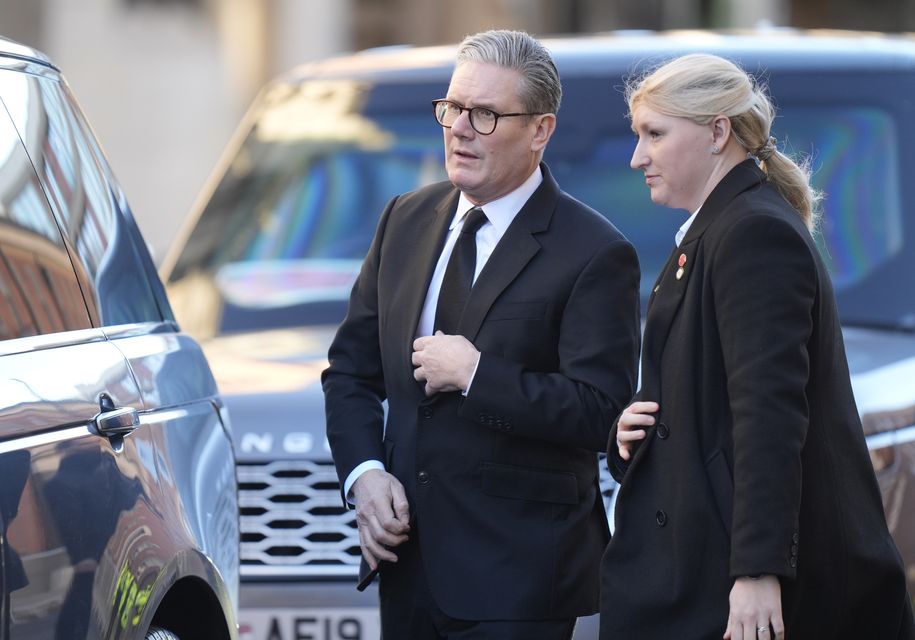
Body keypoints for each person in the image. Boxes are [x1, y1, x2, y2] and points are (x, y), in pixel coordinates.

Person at [323, 29, 641, 639]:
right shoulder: (405, 220)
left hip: (519, 577)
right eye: (453, 108)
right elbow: (350, 374)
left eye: (487, 115)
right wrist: (363, 473)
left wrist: (475, 375)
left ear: (540, 131)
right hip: (406, 564)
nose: (460, 128)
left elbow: (599, 411)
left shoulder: (596, 252)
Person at [600, 53, 915, 640]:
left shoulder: (752, 233)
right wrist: (633, 437)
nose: (637, 157)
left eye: (654, 134)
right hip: (697, 568)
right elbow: (705, 403)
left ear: (718, 132)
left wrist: (757, 572)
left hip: (743, 584)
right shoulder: (717, 228)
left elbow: (769, 416)